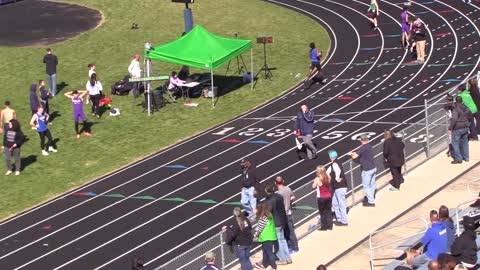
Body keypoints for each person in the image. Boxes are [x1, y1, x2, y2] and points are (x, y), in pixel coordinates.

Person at [264, 182, 292, 264]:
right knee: (282, 240)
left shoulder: (269, 201)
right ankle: (287, 257)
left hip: (276, 223)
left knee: (278, 241)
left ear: (266, 190)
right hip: (282, 220)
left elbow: (268, 212)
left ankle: (283, 259)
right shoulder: (279, 196)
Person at [350, 134, 376, 206]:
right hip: (373, 167)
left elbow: (355, 156)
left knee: (366, 186)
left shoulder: (362, 148)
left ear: (361, 141)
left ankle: (371, 201)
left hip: (367, 169)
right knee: (372, 184)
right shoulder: (369, 146)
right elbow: (360, 153)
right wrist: (354, 153)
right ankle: (371, 196)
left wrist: (351, 154)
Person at [275, 176, 299, 254]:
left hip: (283, 215)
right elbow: (293, 197)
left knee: (287, 232)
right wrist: (288, 201)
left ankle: (294, 247)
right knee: (291, 231)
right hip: (289, 212)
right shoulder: (288, 189)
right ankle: (293, 247)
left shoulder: (278, 194)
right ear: (283, 181)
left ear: (275, 183)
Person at [326, 150, 348, 226]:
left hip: (340, 187)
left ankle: (344, 221)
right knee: (335, 203)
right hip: (336, 187)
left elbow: (338, 171)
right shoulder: (334, 163)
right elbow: (327, 172)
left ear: (331, 157)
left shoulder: (335, 164)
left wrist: (336, 179)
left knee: (341, 203)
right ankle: (339, 218)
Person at [254, 203, 278, 270]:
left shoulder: (263, 217)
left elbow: (260, 228)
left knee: (269, 253)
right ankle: (264, 265)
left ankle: (273, 267)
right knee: (265, 251)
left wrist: (255, 234)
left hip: (265, 237)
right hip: (271, 236)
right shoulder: (269, 215)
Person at [449, 96, 471, 164]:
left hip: (458, 128)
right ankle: (466, 157)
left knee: (455, 143)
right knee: (465, 143)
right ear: (462, 101)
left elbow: (454, 119)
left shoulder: (455, 109)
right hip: (465, 126)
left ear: (456, 101)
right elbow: (470, 116)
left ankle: (458, 159)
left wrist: (450, 128)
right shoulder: (466, 107)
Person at [313, 165, 333, 231]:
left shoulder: (318, 178)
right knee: (328, 211)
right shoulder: (328, 176)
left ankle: (324, 226)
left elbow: (313, 186)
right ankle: (330, 225)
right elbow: (329, 183)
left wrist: (314, 183)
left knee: (322, 212)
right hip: (329, 196)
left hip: (321, 197)